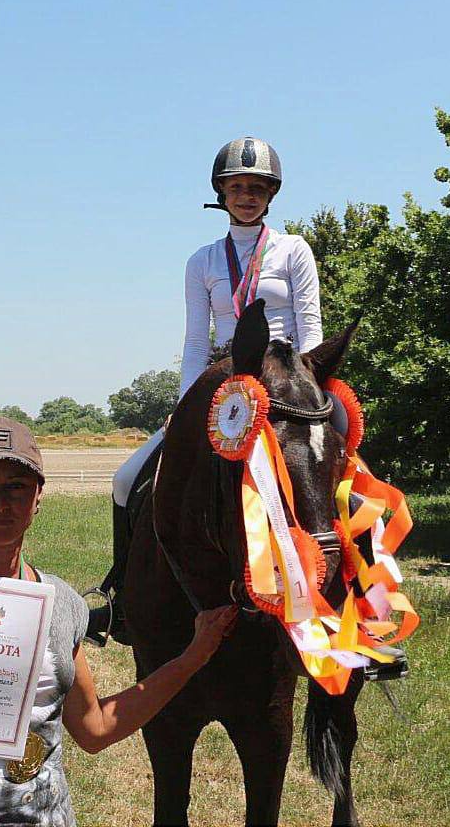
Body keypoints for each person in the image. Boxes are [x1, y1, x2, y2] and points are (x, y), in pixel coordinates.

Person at [0, 417, 236, 827]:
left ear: (38, 496)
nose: (1, 502)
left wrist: (190, 659)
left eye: (17, 485)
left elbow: (95, 729)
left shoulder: (60, 602)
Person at [91, 136, 320, 646]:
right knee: (126, 479)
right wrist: (184, 406)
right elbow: (197, 341)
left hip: (287, 381)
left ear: (270, 194)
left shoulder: (293, 250)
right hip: (226, 386)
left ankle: (356, 599)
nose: (246, 195)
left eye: (256, 187)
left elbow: (311, 328)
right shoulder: (202, 261)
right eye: (237, 187)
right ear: (221, 193)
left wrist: (309, 392)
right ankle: (122, 601)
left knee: (344, 469)